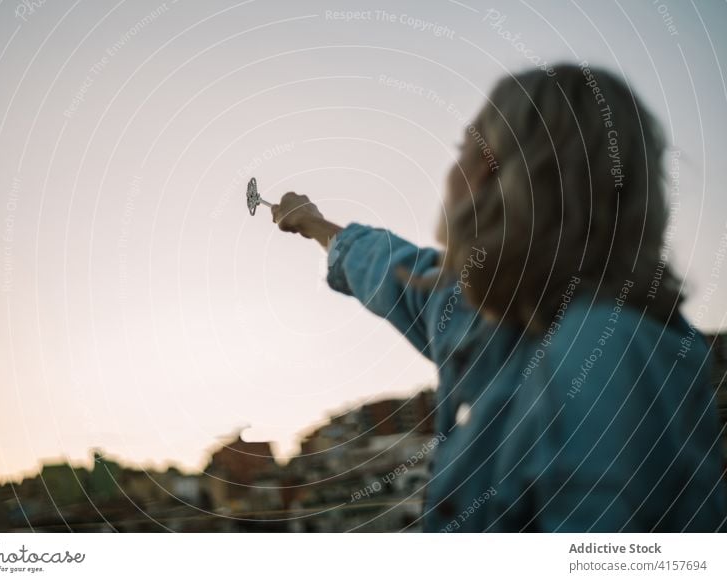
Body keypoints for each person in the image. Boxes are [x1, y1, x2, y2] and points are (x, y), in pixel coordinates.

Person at [270, 64, 727, 532]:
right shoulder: (487, 318)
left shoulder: (604, 356)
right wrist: (315, 225)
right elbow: (396, 273)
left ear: (495, 173)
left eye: (466, 148)